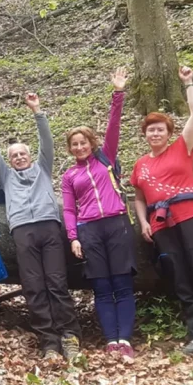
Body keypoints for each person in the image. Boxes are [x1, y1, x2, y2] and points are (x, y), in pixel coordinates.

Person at [131, 66, 193, 355]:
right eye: (150, 130)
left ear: (168, 132)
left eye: (160, 129)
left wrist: (187, 82)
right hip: (161, 225)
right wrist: (143, 223)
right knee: (181, 277)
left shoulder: (181, 147)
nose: (155, 133)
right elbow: (139, 197)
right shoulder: (141, 165)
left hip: (190, 216)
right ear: (145, 134)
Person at [0, 93, 81, 361]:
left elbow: (46, 142)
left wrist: (38, 111)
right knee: (34, 286)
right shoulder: (6, 177)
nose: (19, 157)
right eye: (14, 155)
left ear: (30, 156)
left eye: (23, 153)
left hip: (49, 229)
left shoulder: (43, 168)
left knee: (57, 283)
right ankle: (48, 341)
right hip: (23, 231)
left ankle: (69, 336)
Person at [61, 67, 136, 361]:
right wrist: (73, 238)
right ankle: (111, 340)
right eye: (74, 144)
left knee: (122, 284)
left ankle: (125, 339)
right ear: (70, 149)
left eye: (83, 142)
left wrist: (118, 93)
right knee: (102, 287)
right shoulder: (69, 176)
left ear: (91, 143)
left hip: (117, 225)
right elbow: (69, 209)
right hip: (90, 230)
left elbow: (114, 126)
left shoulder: (106, 158)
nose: (79, 147)